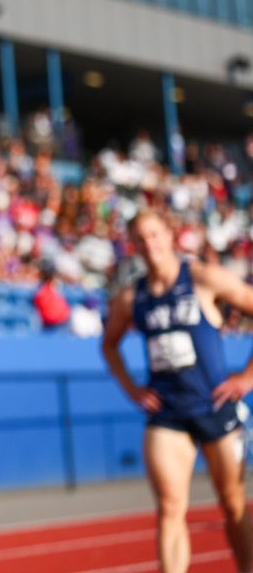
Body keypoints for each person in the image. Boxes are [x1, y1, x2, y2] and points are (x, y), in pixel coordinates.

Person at [102, 210, 253, 573]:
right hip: (167, 413)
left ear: (170, 235)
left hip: (215, 406)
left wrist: (247, 377)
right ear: (133, 245)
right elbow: (109, 344)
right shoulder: (131, 298)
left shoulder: (203, 278)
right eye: (140, 238)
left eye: (154, 234)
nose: (149, 244)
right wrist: (131, 388)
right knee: (170, 507)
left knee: (233, 503)